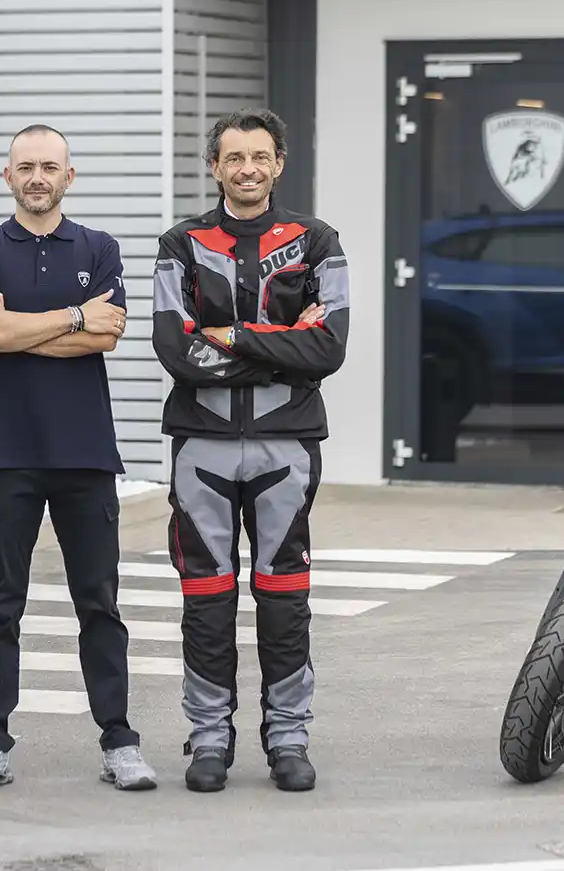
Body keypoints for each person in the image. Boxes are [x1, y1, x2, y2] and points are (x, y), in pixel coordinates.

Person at [0, 124, 157, 793]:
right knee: (0, 604)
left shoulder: (99, 247)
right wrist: (72, 317)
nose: (37, 177)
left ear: (69, 176)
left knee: (99, 603)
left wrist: (20, 328)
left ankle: (119, 739)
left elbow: (108, 335)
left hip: (85, 455)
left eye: (49, 167)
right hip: (4, 454)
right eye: (26, 167)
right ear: (7, 176)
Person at [150, 108, 349, 793]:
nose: (247, 169)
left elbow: (329, 348)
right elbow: (175, 350)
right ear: (215, 166)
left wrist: (231, 335)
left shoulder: (318, 241)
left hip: (287, 446)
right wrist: (283, 343)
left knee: (284, 596)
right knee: (206, 596)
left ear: (279, 163)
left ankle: (289, 738)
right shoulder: (180, 244)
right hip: (200, 446)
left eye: (260, 156)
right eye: (234, 157)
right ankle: (209, 739)